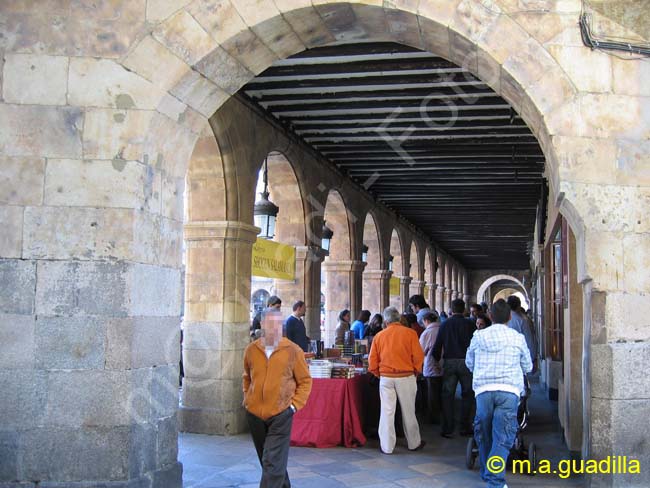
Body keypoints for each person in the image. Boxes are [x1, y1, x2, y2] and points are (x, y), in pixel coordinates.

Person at [466, 299, 532, 488]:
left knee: (485, 434)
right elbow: (527, 365)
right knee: (502, 436)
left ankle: (489, 475)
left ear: (490, 316)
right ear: (510, 317)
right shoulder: (517, 337)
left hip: (483, 391)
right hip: (508, 391)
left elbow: (469, 362)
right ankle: (495, 481)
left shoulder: (478, 336)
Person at [243, 308, 313, 488]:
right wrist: (247, 398)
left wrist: (293, 406)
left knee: (272, 461)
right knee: (268, 460)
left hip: (281, 413)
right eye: (270, 323)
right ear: (262, 324)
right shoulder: (251, 350)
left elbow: (305, 381)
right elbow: (247, 377)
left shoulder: (292, 350)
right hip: (254, 414)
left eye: (278, 324)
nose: (275, 328)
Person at [368, 306, 425, 454]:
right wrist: (415, 371)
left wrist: (378, 373)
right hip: (406, 376)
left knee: (386, 412)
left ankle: (387, 447)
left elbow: (372, 360)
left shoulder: (379, 336)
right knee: (408, 411)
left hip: (386, 377)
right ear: (399, 319)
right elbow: (418, 356)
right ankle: (414, 443)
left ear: (385, 321)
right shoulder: (410, 334)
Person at [432, 298, 476, 438]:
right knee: (467, 394)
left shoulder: (445, 325)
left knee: (447, 395)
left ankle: (448, 428)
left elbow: (438, 344)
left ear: (451, 310)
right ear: (464, 310)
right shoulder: (470, 324)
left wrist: (436, 361)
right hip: (466, 362)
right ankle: (465, 426)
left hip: (449, 362)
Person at [419, 311, 443, 424]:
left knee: (432, 393)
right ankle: (442, 414)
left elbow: (421, 351)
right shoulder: (442, 328)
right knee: (440, 391)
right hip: (443, 363)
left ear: (426, 321)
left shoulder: (427, 333)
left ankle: (433, 417)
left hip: (431, 365)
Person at [506, 295, 536, 370]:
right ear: (519, 306)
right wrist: (532, 359)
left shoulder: (503, 319)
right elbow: (529, 341)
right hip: (519, 357)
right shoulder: (522, 320)